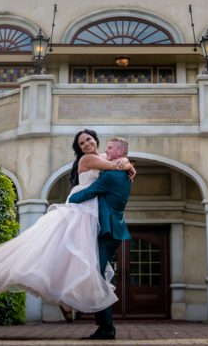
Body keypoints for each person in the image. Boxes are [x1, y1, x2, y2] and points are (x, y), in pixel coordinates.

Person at [0, 129, 135, 317]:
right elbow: (113, 166)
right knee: (51, 251)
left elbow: (117, 160)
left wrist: (126, 161)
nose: (86, 144)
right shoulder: (87, 159)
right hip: (79, 207)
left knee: (69, 257)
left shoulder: (102, 157)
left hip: (89, 210)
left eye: (88, 140)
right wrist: (127, 165)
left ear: (95, 140)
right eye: (81, 144)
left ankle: (64, 295)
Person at [67, 136, 132, 341]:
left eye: (111, 148)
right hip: (112, 230)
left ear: (119, 152)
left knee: (96, 276)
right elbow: (114, 162)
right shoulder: (121, 171)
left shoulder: (111, 175)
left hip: (105, 230)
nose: (107, 150)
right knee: (98, 276)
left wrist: (70, 200)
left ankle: (106, 328)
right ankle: (105, 327)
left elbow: (89, 192)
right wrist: (129, 164)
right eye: (81, 143)